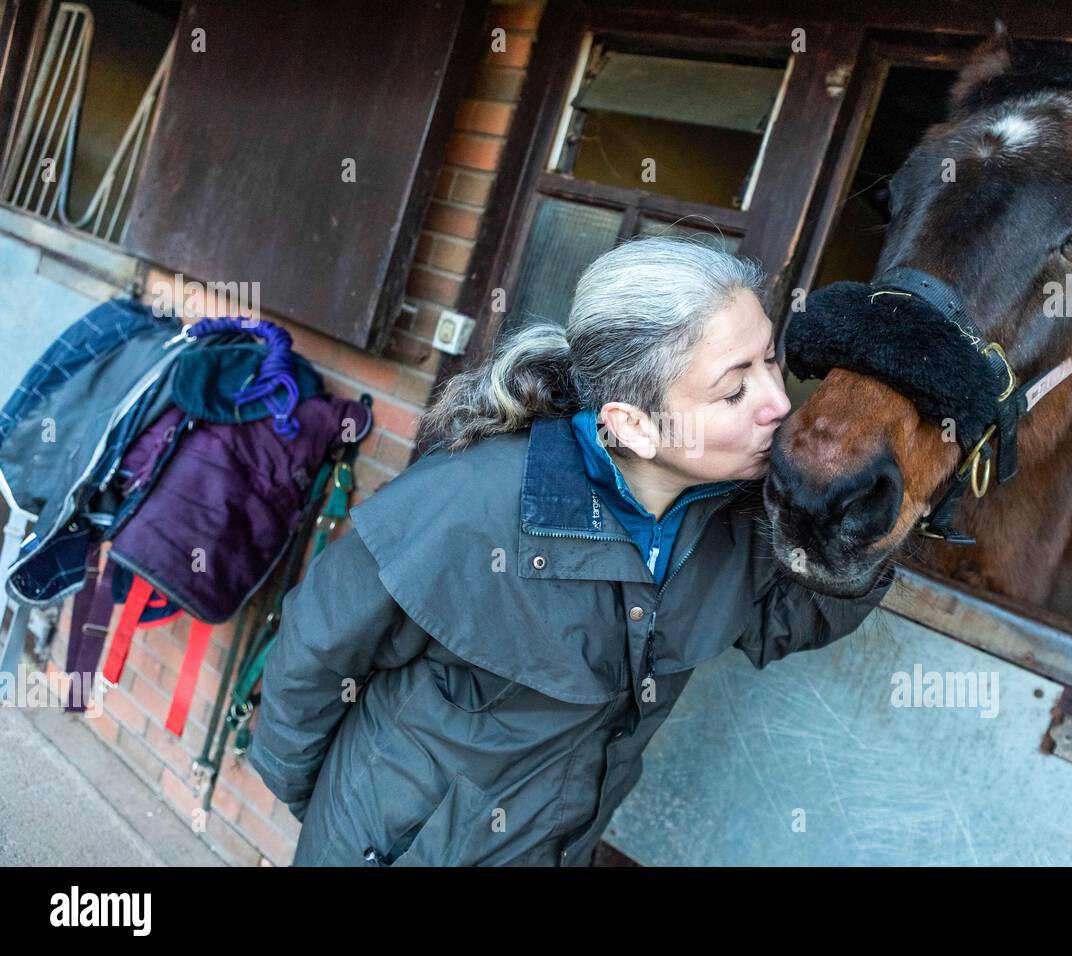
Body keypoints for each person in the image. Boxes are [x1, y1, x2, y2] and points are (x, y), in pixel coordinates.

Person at [246, 235, 895, 866]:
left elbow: (782, 621)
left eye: (771, 361)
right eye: (734, 390)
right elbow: (318, 648)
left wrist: (877, 521)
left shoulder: (732, 519)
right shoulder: (469, 500)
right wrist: (335, 820)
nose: (780, 405)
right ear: (633, 425)